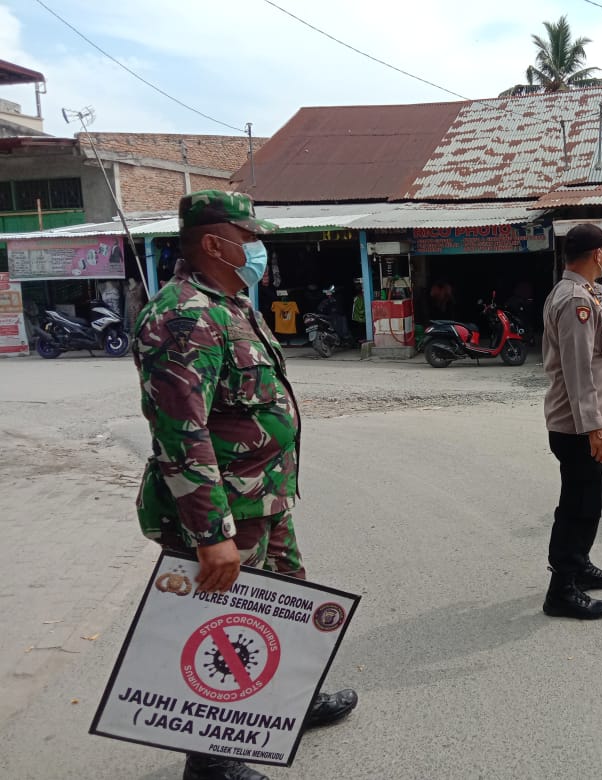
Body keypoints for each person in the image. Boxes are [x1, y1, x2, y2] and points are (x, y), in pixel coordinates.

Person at [131, 191, 357, 780]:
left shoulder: (229, 304)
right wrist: (211, 535)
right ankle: (210, 756)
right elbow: (181, 434)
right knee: (220, 623)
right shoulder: (182, 317)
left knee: (285, 599)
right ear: (214, 243)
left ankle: (287, 702)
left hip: (263, 497)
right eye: (249, 238)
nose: (258, 249)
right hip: (223, 510)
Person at [541, 223, 602, 620]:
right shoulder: (576, 299)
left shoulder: (581, 293)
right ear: (597, 254)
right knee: (577, 507)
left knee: (587, 503)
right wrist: (595, 427)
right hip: (579, 427)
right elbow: (579, 369)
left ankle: (580, 566)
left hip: (582, 423)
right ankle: (561, 590)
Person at [350, 278, 367, 343]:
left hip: (360, 313)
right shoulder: (358, 297)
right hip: (359, 314)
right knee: (361, 326)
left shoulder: (359, 296)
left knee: (362, 326)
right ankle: (361, 338)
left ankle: (362, 338)